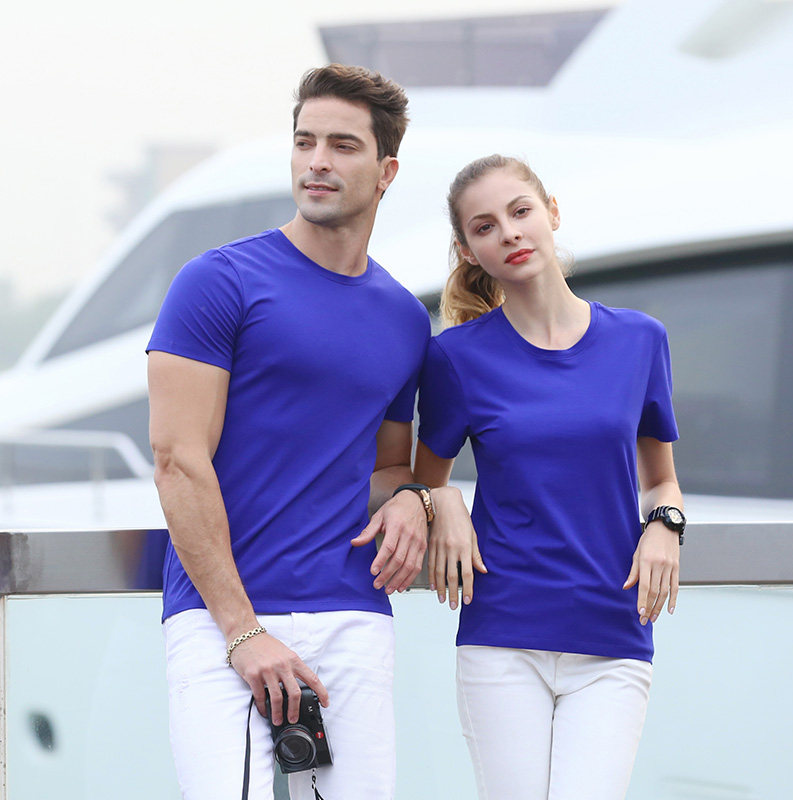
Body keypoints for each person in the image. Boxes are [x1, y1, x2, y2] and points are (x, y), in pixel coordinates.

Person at [147, 64, 435, 800]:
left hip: (351, 614)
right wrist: (243, 632)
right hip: (220, 619)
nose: (317, 161)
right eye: (305, 141)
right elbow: (177, 462)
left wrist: (415, 499)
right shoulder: (218, 282)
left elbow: (388, 467)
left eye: (343, 145)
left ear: (386, 171)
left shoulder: (404, 318)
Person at [413, 154, 685, 800]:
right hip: (502, 632)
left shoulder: (640, 341)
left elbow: (661, 482)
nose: (508, 232)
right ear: (468, 250)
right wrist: (444, 502)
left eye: (520, 211)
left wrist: (664, 525)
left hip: (613, 632)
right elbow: (421, 482)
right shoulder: (455, 357)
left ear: (552, 212)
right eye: (484, 226)